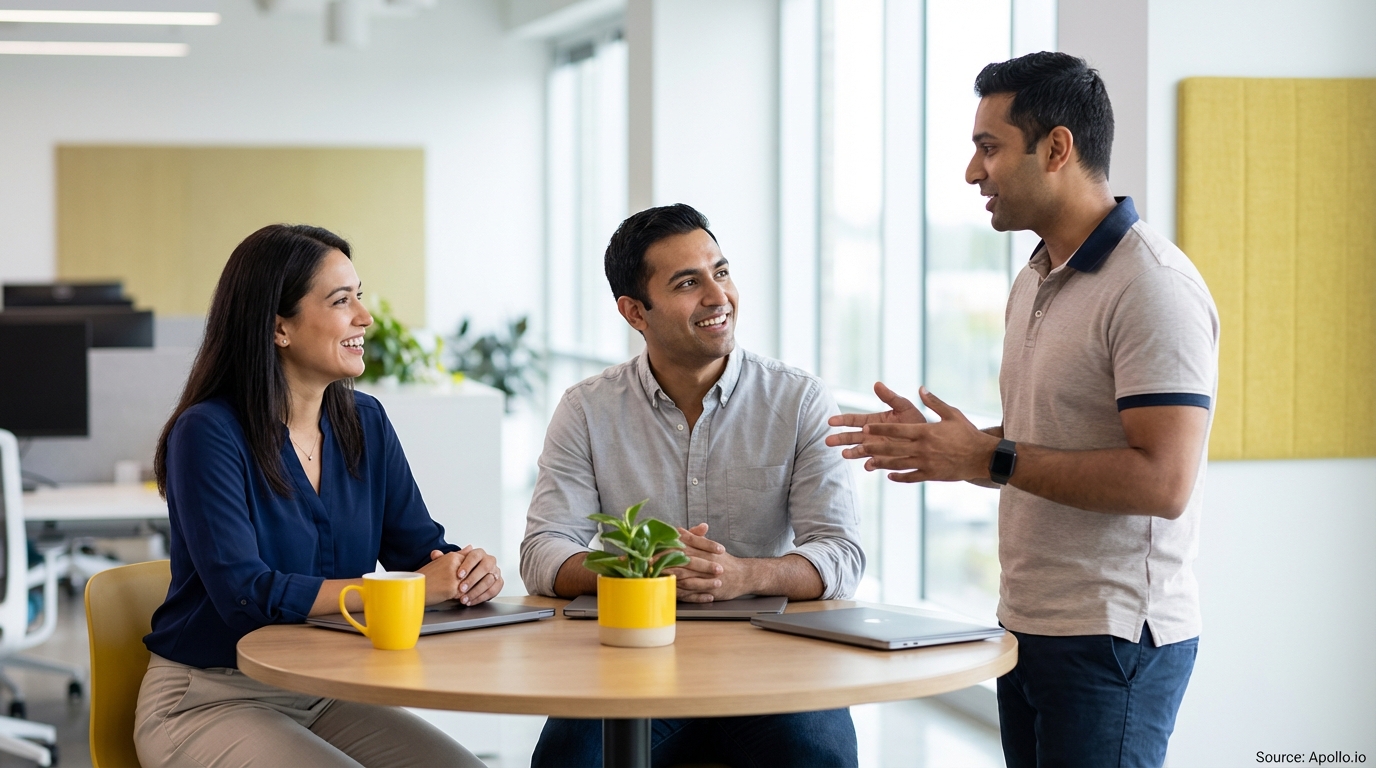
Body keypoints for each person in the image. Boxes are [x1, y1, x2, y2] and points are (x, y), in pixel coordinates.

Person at [828, 52, 1218, 768]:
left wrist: (989, 458)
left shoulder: (1153, 287)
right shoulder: (1037, 274)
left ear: (1057, 148)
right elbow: (1052, 441)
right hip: (1028, 625)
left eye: (988, 147)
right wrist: (956, 449)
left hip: (1113, 641)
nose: (972, 172)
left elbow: (1163, 482)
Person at [137, 224, 502, 768]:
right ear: (278, 327)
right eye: (340, 300)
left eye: (359, 295)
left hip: (323, 692)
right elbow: (246, 594)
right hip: (208, 701)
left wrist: (466, 571)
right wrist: (402, 594)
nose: (364, 316)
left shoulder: (365, 422)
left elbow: (418, 552)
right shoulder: (208, 433)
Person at [521, 204, 864, 767]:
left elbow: (841, 553)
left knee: (818, 758)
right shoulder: (587, 409)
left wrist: (743, 574)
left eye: (721, 272)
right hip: (633, 663)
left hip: (771, 666)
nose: (717, 296)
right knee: (566, 760)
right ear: (635, 312)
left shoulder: (798, 399)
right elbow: (544, 551)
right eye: (688, 282)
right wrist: (643, 571)